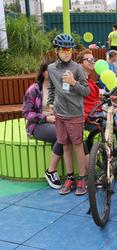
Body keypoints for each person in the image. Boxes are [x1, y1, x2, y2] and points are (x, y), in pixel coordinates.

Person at [76, 49, 117, 165]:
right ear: (80, 63)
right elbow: (79, 102)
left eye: (93, 60)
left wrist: (107, 97)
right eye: (88, 59)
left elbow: (94, 97)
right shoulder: (78, 81)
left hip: (102, 112)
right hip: (93, 117)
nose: (92, 62)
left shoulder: (89, 79)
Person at [47, 34, 90, 196]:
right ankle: (70, 178)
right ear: (56, 51)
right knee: (65, 145)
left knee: (78, 146)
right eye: (63, 50)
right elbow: (51, 88)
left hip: (75, 114)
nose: (66, 53)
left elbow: (86, 91)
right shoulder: (51, 68)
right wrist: (51, 103)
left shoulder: (77, 68)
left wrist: (73, 83)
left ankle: (82, 178)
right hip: (60, 114)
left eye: (69, 50)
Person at [23, 60, 63, 189]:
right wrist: (46, 118)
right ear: (43, 72)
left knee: (74, 134)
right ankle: (51, 171)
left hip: (60, 120)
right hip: (39, 124)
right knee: (62, 135)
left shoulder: (59, 86)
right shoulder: (34, 89)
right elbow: (26, 113)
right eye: (49, 70)